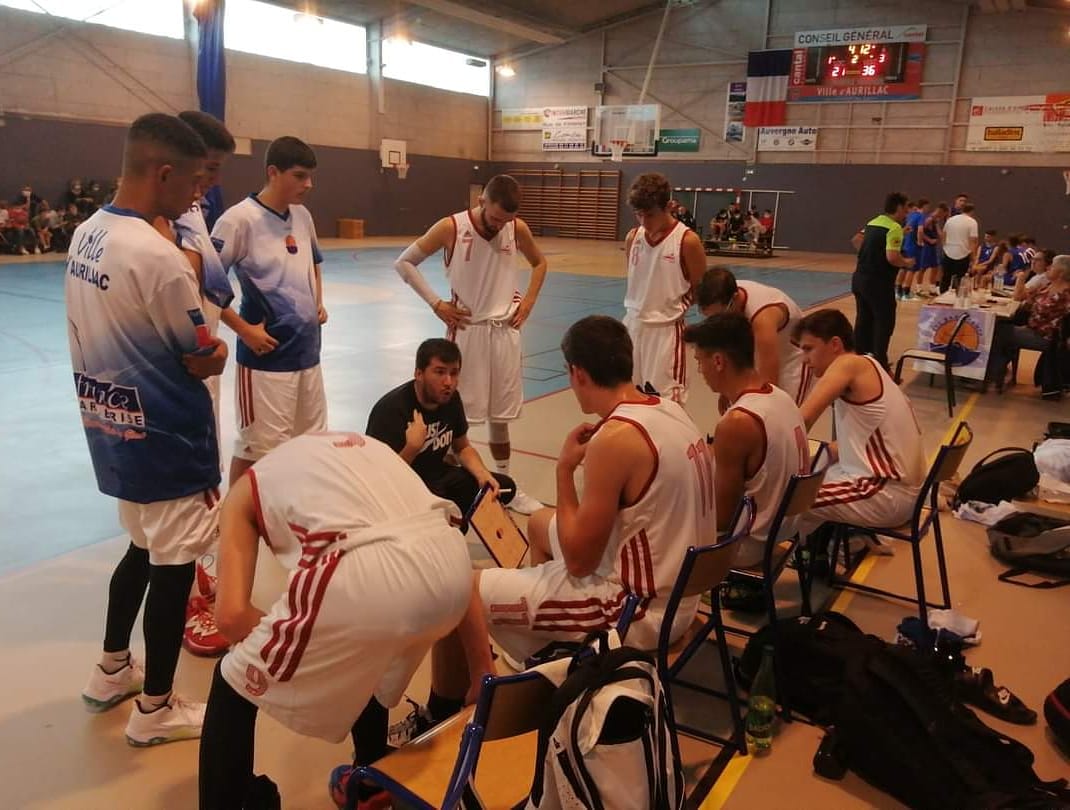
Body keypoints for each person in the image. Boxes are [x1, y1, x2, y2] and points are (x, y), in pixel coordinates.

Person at [434, 315, 718, 707]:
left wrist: (564, 470)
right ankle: (545, 643)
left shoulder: (616, 438)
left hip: (637, 612)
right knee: (536, 522)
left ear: (577, 372)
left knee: (458, 588)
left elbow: (581, 561)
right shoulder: (669, 409)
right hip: (683, 592)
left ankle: (454, 701)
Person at [198, 432, 476, 810]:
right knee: (365, 657)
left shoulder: (239, 496)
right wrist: (483, 671)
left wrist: (302, 643)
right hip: (453, 561)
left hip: (368, 576)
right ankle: (370, 780)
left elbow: (230, 619)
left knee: (232, 680)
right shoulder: (352, 450)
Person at [68, 113, 228, 746]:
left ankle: (112, 668)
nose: (199, 195)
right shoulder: (159, 258)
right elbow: (200, 351)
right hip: (167, 438)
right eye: (194, 182)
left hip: (111, 427)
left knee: (139, 547)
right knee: (175, 564)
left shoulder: (87, 233)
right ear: (163, 173)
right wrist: (216, 357)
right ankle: (156, 707)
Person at [393, 174, 548, 515]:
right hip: (468, 332)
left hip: (504, 331)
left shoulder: (515, 228)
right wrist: (436, 303)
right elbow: (404, 262)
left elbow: (540, 263)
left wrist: (529, 302)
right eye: (495, 218)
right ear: (481, 202)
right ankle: (449, 489)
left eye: (506, 220)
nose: (500, 226)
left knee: (501, 417)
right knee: (454, 419)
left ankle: (505, 491)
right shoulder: (451, 227)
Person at [151, 110, 238, 659]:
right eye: (202, 172)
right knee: (180, 499)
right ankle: (185, 604)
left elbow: (210, 286)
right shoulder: (163, 222)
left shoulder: (196, 208)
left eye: (213, 175)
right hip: (180, 368)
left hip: (202, 360)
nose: (206, 184)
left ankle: (196, 580)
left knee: (201, 490)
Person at [212, 136, 328, 488]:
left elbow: (314, 263)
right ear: (273, 172)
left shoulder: (302, 216)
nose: (308, 185)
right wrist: (244, 330)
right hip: (266, 361)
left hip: (308, 356)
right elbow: (205, 286)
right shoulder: (238, 220)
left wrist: (317, 302)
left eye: (310, 176)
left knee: (310, 445)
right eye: (299, 176)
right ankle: (235, 524)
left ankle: (295, 518)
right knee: (257, 451)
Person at [683, 312, 809, 572]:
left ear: (718, 361)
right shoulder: (780, 396)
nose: (700, 371)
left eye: (699, 361)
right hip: (785, 526)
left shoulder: (738, 423)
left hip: (747, 544)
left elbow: (721, 518)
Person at [793, 309, 925, 540]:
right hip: (903, 491)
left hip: (884, 493)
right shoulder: (869, 363)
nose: (805, 360)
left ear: (835, 344)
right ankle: (823, 547)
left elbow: (801, 422)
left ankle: (761, 565)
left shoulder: (848, 365)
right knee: (814, 467)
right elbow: (856, 443)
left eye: (808, 349)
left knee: (784, 499)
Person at [366, 338, 516, 514]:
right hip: (404, 486)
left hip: (438, 476)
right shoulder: (391, 410)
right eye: (440, 372)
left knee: (502, 488)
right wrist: (411, 448)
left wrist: (482, 474)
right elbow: (381, 479)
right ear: (419, 373)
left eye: (454, 373)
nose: (448, 382)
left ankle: (451, 514)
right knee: (446, 516)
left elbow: (462, 447)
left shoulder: (451, 399)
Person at [623, 172, 707, 403]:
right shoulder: (633, 238)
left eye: (649, 215)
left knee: (668, 404)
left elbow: (701, 291)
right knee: (628, 398)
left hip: (665, 331)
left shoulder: (687, 241)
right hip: (632, 326)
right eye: (638, 215)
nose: (643, 222)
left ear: (669, 206)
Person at [695, 266, 813, 405]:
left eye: (720, 314)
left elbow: (769, 380)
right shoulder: (723, 292)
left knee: (779, 411)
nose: (718, 320)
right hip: (762, 353)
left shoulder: (763, 318)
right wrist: (726, 391)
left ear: (735, 298)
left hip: (792, 361)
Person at [988, 255, 1070, 394]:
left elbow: (1034, 307)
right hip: (1032, 329)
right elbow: (1022, 299)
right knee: (1000, 328)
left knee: (998, 332)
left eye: (1053, 266)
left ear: (1061, 272)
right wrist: (1022, 283)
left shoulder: (1065, 295)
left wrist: (1028, 299)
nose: (1048, 268)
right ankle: (996, 371)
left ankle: (993, 373)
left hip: (1045, 338)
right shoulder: (1048, 286)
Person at [851, 192, 914, 371]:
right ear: (900, 207)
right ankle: (880, 363)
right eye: (906, 208)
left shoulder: (873, 222)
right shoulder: (894, 227)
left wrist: (869, 255)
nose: (907, 213)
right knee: (884, 320)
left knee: (864, 318)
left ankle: (860, 357)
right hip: (878, 282)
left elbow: (856, 240)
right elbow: (892, 257)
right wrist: (906, 263)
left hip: (860, 279)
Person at [940, 202, 978, 294]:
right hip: (963, 253)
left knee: (946, 277)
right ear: (972, 211)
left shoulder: (950, 220)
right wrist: (973, 258)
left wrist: (944, 248)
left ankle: (941, 297)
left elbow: (943, 235)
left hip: (948, 252)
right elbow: (973, 241)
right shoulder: (972, 222)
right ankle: (958, 298)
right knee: (961, 278)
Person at [898, 199, 928, 300]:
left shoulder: (910, 215)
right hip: (913, 247)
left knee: (903, 268)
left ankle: (898, 292)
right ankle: (906, 293)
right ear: (924, 206)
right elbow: (920, 230)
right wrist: (920, 242)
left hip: (905, 245)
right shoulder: (920, 216)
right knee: (911, 270)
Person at [917, 202, 947, 297]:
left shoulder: (935, 220)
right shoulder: (929, 219)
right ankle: (919, 288)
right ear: (941, 211)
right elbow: (921, 232)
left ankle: (932, 288)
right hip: (926, 246)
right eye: (944, 214)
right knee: (923, 267)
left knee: (935, 267)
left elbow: (940, 234)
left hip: (932, 247)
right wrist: (929, 240)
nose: (943, 216)